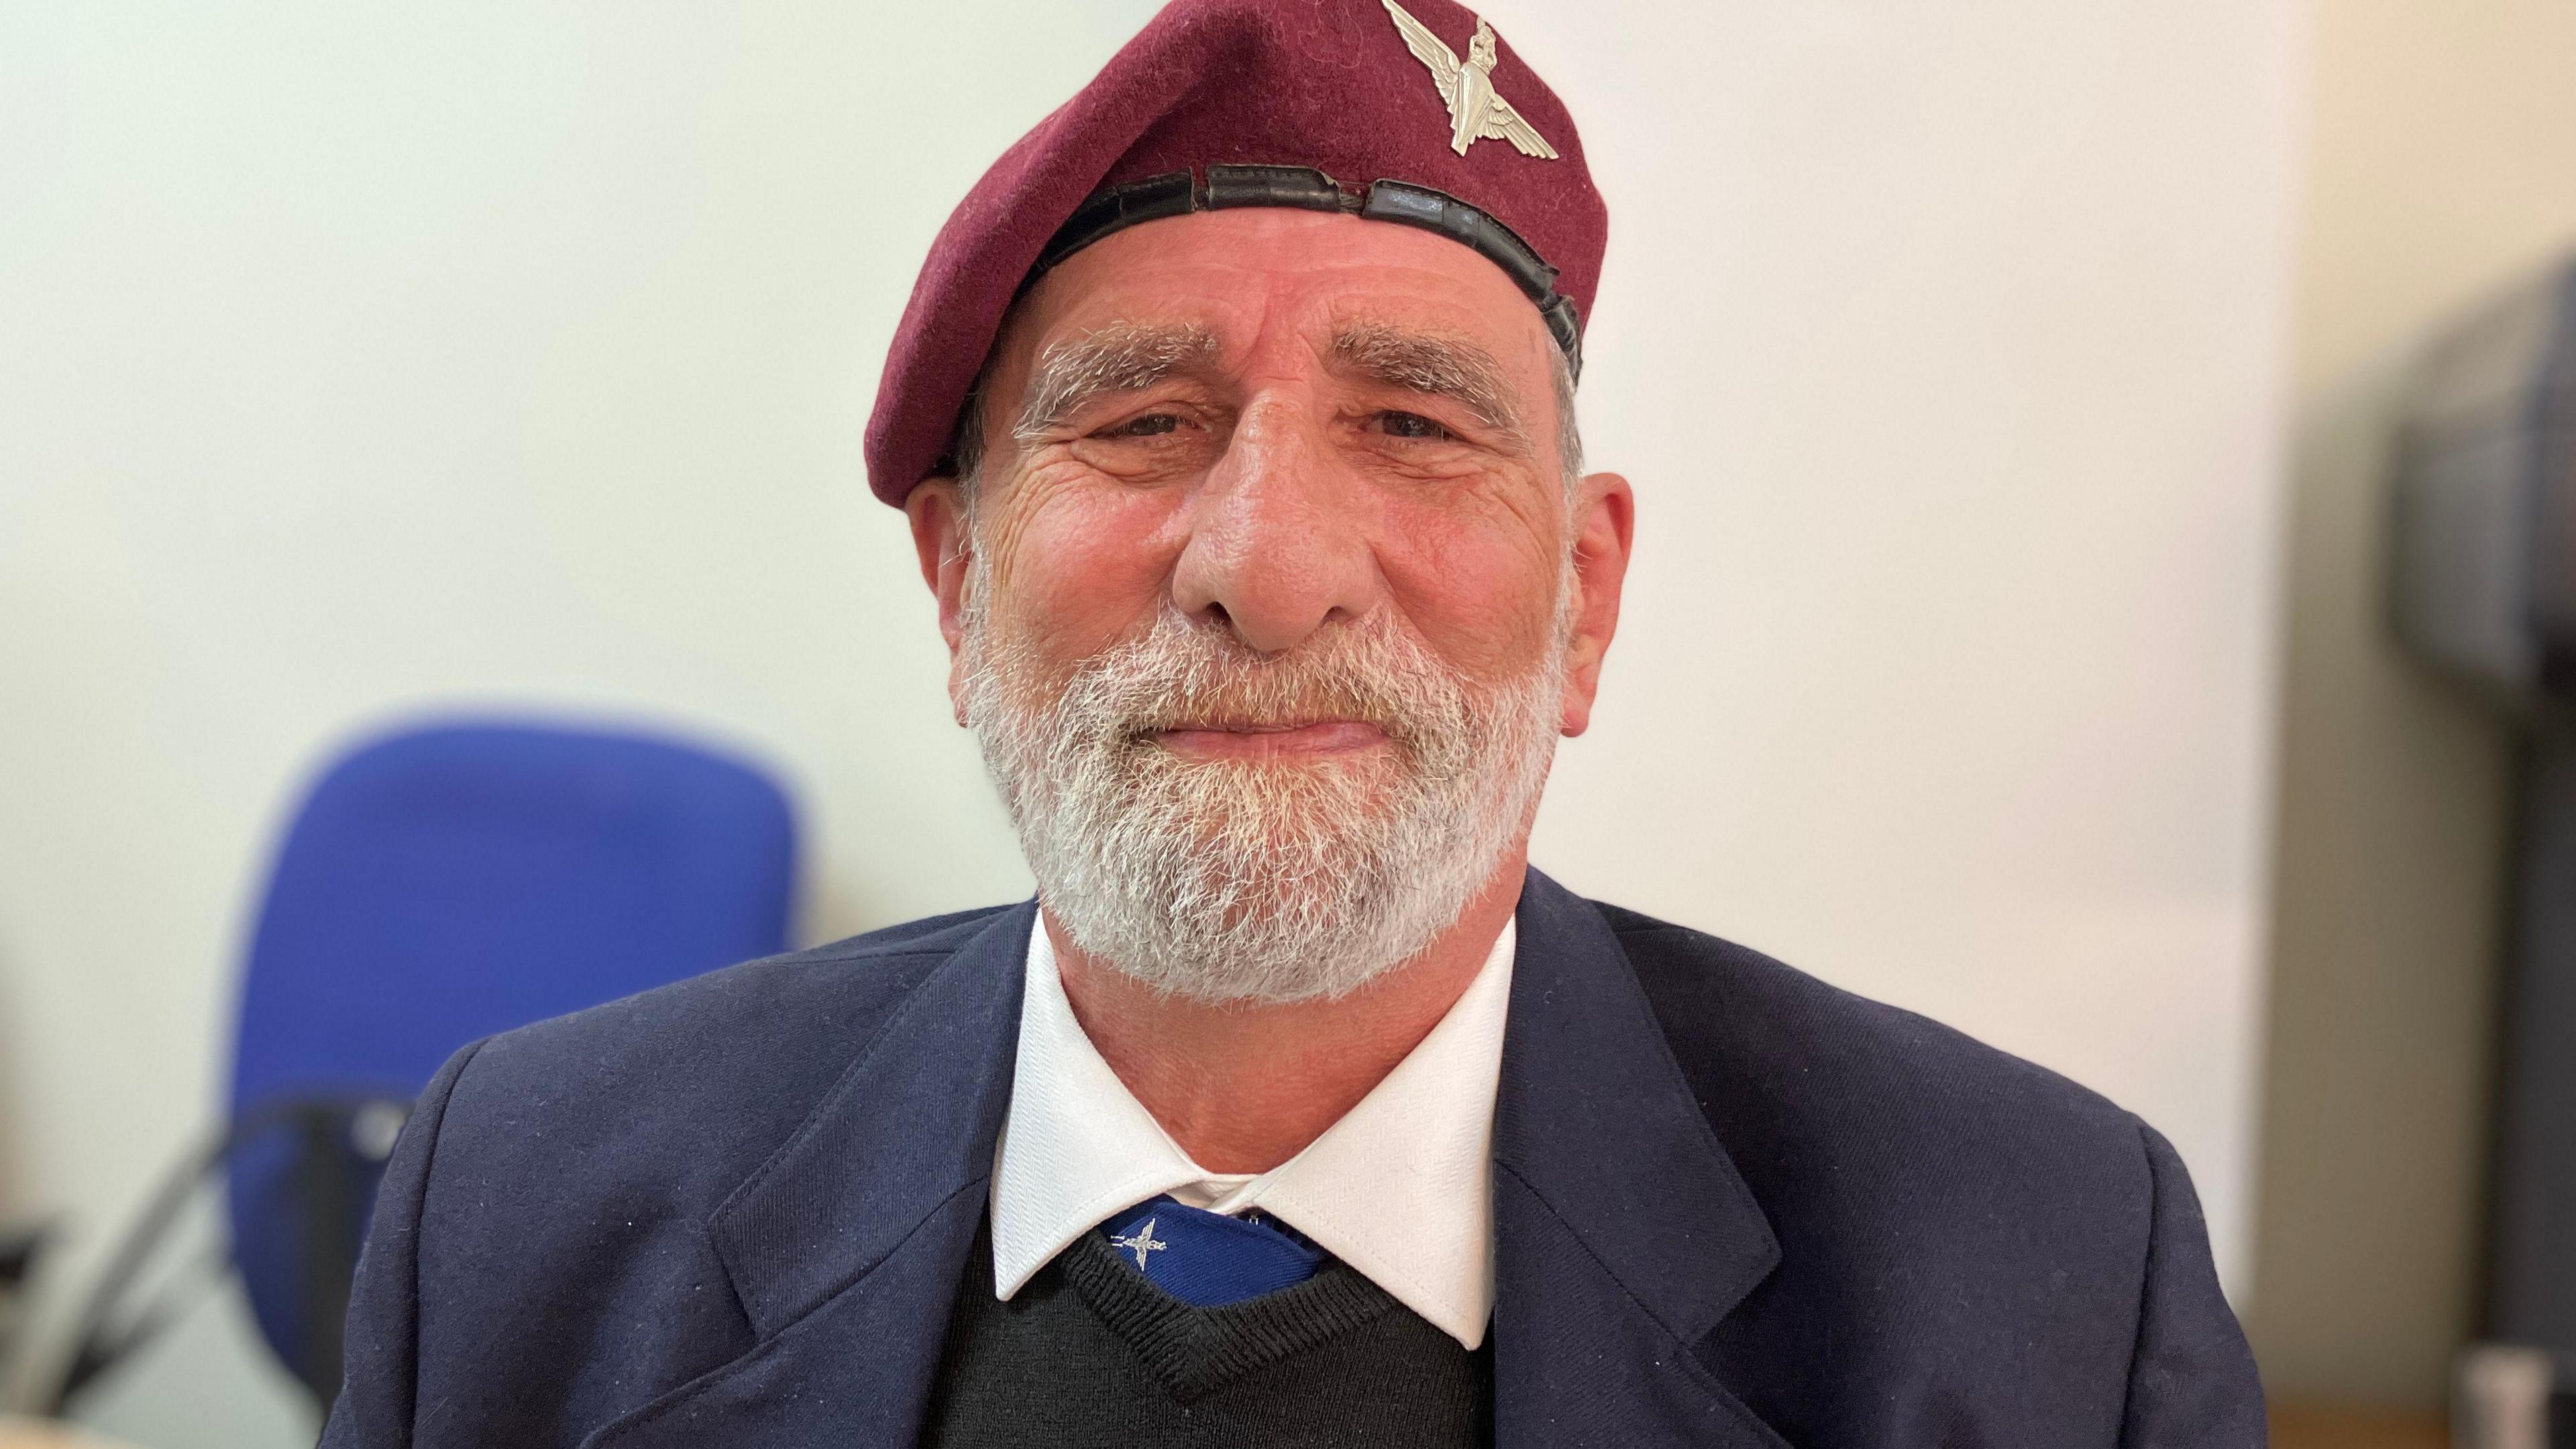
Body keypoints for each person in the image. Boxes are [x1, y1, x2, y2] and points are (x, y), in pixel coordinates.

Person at [321, 1, 2266, 1444]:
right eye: (1147, 424)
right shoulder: (522, 1208)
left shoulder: (2045, 1288)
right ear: (956, 588)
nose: (1268, 566)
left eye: (1414, 426)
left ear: (1584, 600)